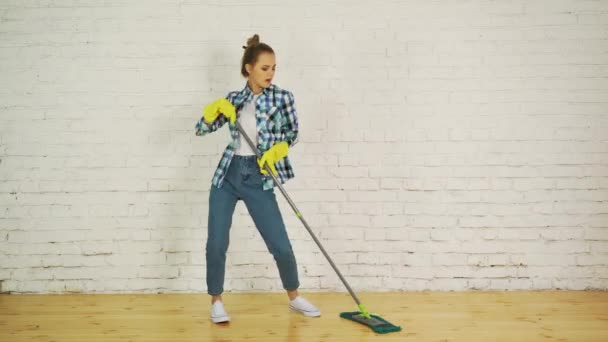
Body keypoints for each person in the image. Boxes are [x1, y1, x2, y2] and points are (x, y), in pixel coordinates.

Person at [194, 34, 321, 323]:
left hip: (259, 176)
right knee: (216, 242)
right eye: (265, 68)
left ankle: (294, 296)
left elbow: (293, 133)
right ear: (249, 68)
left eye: (274, 67)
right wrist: (214, 109)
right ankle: (216, 301)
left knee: (280, 244)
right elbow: (201, 129)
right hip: (227, 176)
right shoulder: (234, 100)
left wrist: (279, 149)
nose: (271, 73)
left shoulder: (282, 97)